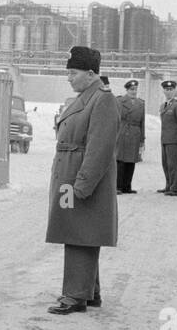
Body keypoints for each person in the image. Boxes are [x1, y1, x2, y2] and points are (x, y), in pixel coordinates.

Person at [45, 45, 118, 315]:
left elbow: (100, 148)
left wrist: (83, 186)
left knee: (80, 233)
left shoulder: (102, 99)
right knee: (77, 231)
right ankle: (90, 291)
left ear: (90, 73)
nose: (69, 78)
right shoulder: (86, 96)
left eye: (73, 73)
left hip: (80, 179)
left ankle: (75, 296)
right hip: (69, 175)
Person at [158, 78, 177, 194]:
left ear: (174, 91)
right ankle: (168, 185)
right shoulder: (163, 106)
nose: (168, 91)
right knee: (165, 164)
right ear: (164, 91)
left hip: (174, 140)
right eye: (166, 89)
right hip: (165, 139)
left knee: (173, 164)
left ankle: (175, 188)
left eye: (171, 89)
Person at [115, 78, 145, 194]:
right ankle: (118, 186)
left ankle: (127, 186)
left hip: (135, 134)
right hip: (122, 132)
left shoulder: (141, 103)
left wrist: (142, 139)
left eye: (135, 89)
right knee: (121, 160)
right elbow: (116, 119)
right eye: (131, 89)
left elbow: (143, 122)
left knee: (131, 161)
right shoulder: (120, 101)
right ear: (127, 90)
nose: (134, 91)